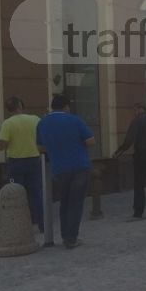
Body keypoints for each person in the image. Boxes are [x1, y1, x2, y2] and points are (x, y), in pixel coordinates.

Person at [36, 94, 95, 249]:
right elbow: (90, 141)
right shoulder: (75, 120)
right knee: (75, 202)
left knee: (65, 201)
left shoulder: (42, 123)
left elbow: (40, 148)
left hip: (58, 168)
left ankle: (64, 235)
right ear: (66, 106)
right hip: (79, 166)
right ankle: (71, 238)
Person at [0, 97, 43, 233]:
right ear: (21, 106)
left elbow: (2, 146)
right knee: (36, 193)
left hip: (16, 162)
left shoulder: (8, 123)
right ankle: (42, 223)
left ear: (8, 109)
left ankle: (19, 226)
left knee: (16, 193)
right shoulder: (35, 119)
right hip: (34, 160)